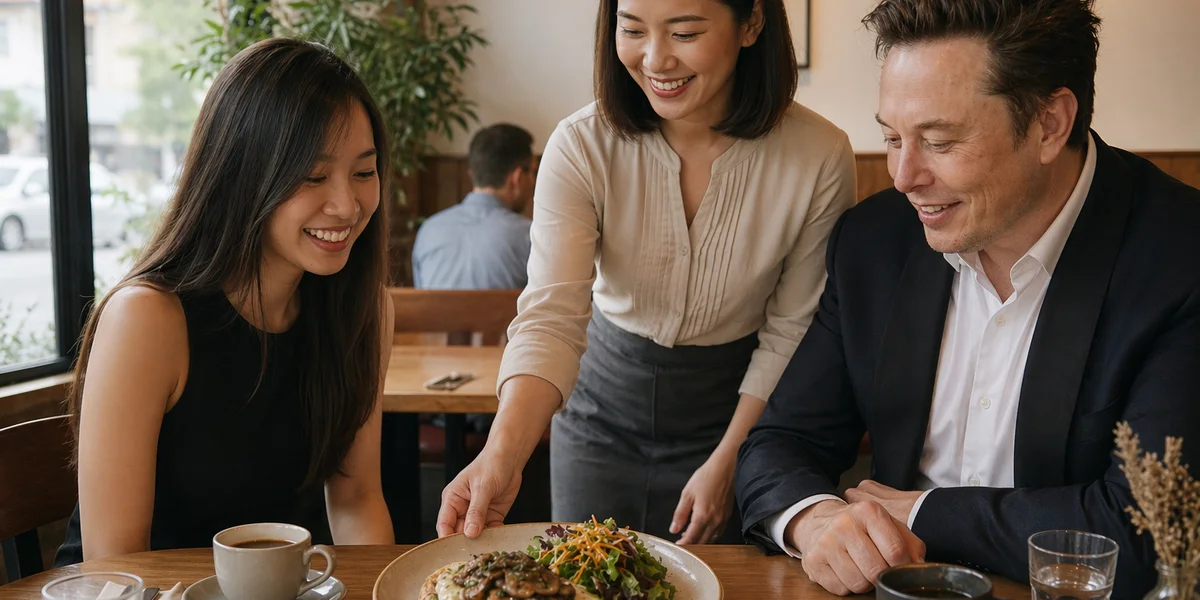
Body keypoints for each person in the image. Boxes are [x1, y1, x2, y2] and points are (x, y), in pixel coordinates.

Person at [734, 0, 1200, 597]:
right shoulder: (874, 242)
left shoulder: (1181, 259)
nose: (902, 176)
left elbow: (1145, 531)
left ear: (1050, 124)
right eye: (891, 137)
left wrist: (921, 514)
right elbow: (780, 443)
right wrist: (814, 520)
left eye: (940, 141)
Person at [437, 0, 857, 546]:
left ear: (752, 22)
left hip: (737, 413)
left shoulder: (819, 155)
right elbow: (552, 318)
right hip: (599, 414)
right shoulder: (582, 144)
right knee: (582, 576)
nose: (655, 59)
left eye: (684, 32)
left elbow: (790, 331)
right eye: (632, 29)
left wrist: (730, 458)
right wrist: (502, 454)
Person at [54, 38, 396, 564]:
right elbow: (115, 557)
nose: (347, 204)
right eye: (313, 175)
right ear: (244, 173)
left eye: (364, 172)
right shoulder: (148, 317)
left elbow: (356, 501)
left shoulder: (361, 311)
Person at [412, 123, 536, 291]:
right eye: (533, 173)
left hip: (436, 318)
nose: (534, 182)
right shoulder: (530, 237)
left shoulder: (428, 231)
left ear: (471, 174)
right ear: (518, 177)